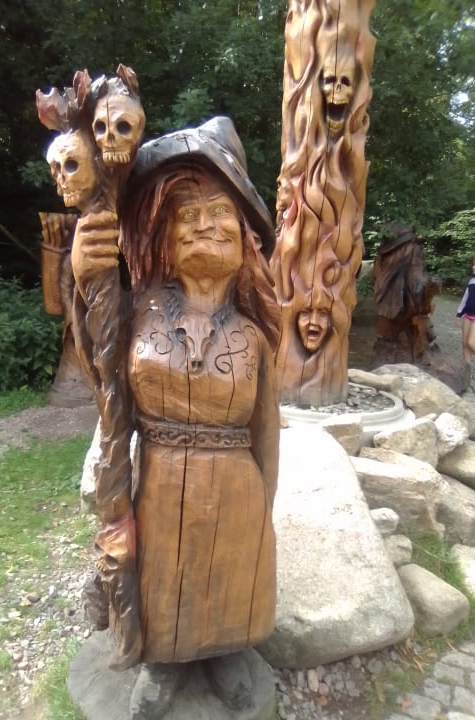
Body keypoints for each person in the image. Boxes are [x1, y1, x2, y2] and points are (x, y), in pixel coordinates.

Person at [72, 117, 281, 718]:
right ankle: (162, 659)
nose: (205, 225)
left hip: (237, 485)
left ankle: (227, 649)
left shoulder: (254, 334)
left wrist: (266, 503)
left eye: (220, 213)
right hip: (161, 479)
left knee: (230, 570)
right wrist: (85, 278)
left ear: (246, 237)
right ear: (164, 236)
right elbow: (101, 368)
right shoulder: (138, 313)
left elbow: (267, 430)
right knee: (164, 574)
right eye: (187, 214)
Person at [456, 255, 475, 379]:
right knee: (465, 343)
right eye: (473, 264)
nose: (473, 267)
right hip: (467, 315)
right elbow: (465, 298)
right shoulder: (471, 281)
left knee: (471, 342)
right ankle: (466, 372)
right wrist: (459, 313)